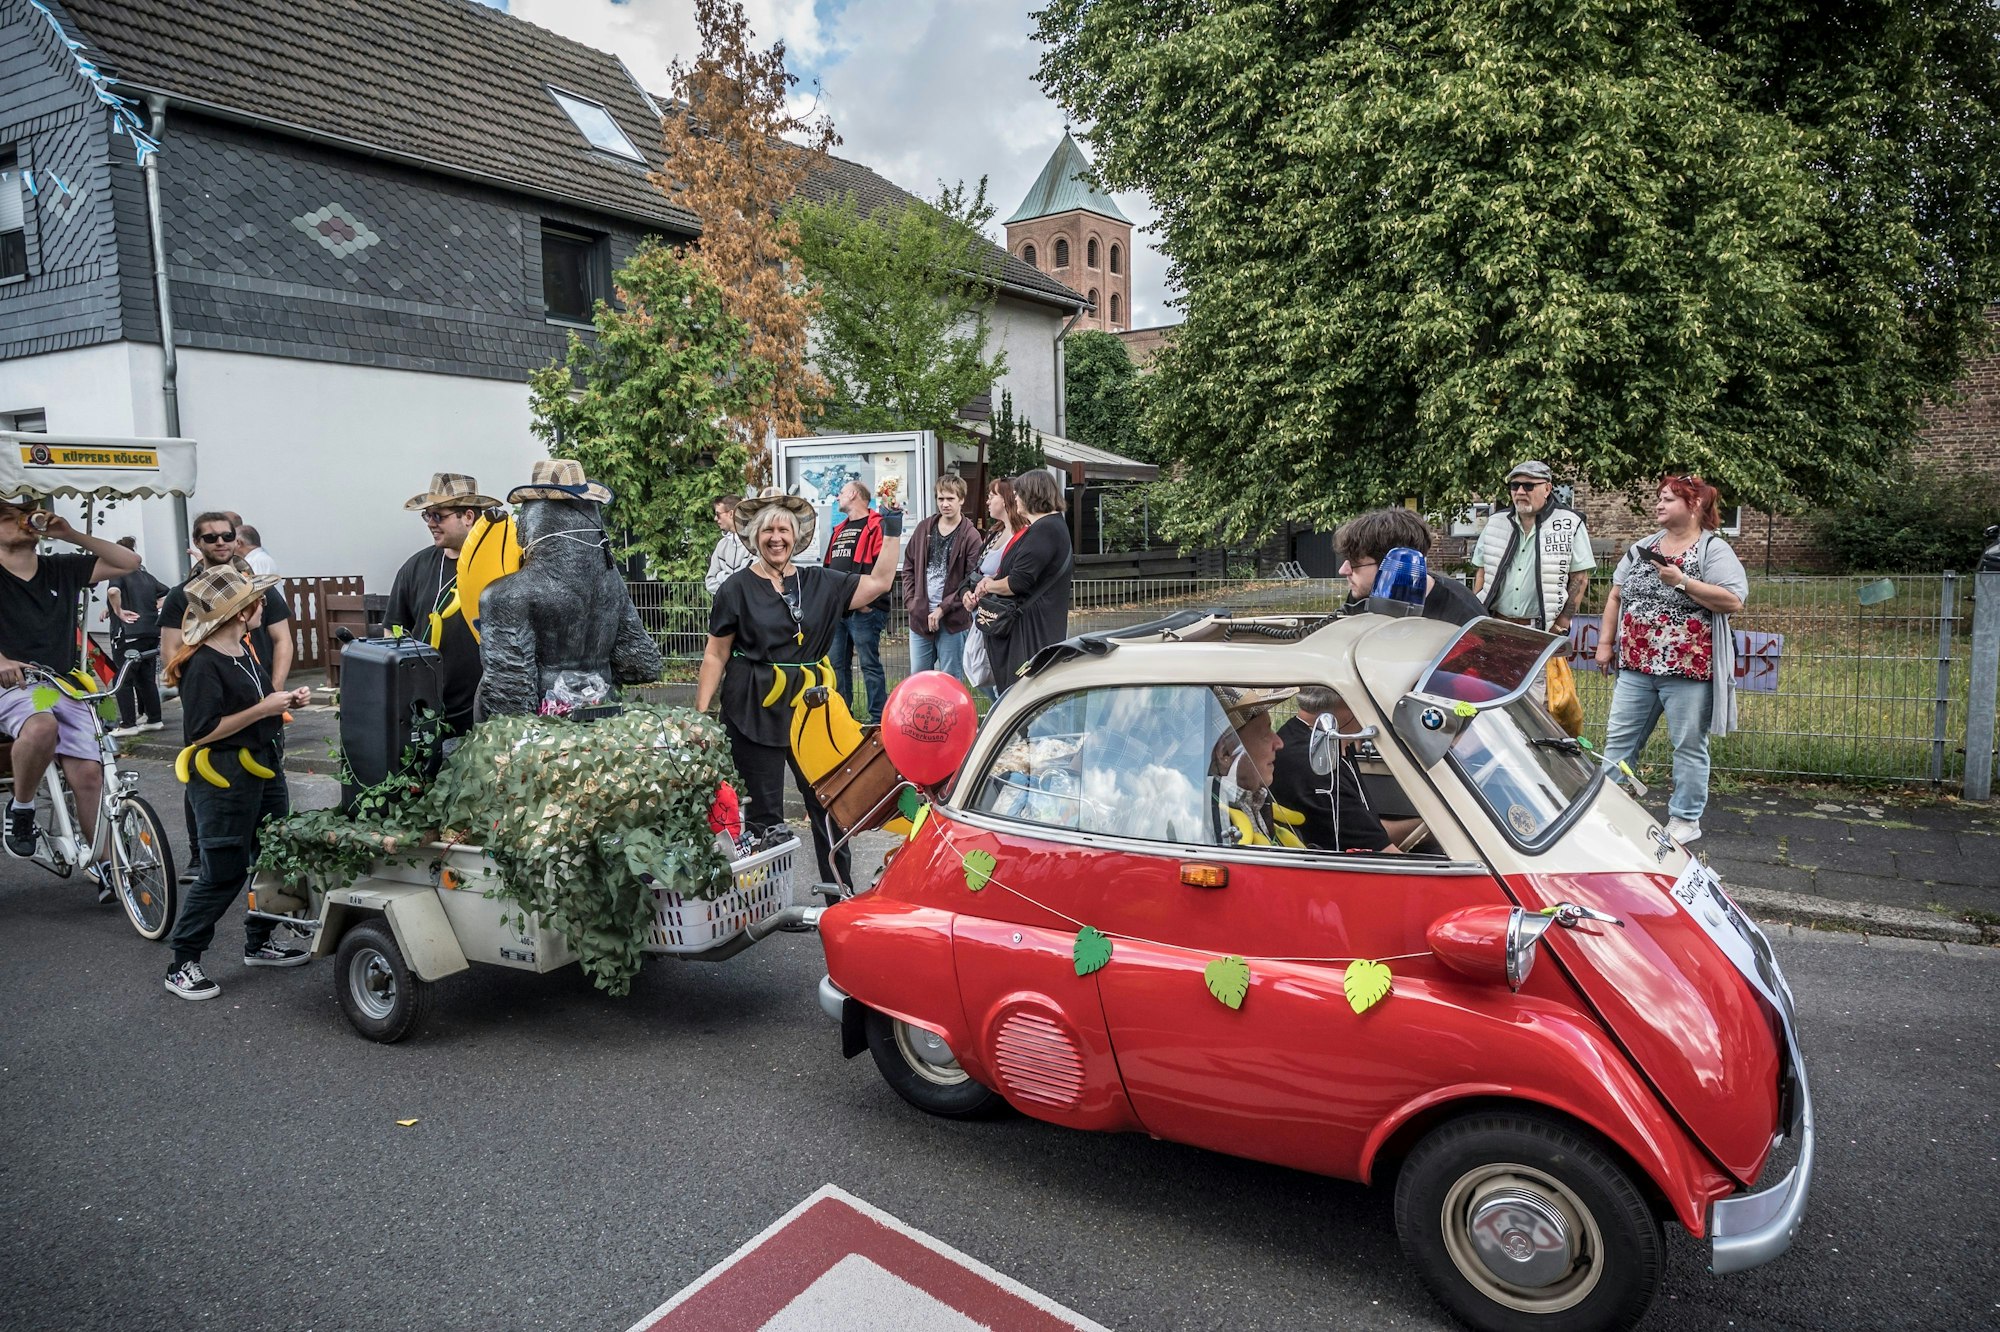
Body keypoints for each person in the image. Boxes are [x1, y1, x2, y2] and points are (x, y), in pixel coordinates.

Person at [697, 491, 902, 889]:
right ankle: (773, 901)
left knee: (830, 807)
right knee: (764, 815)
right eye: (768, 530)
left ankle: (839, 895)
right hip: (753, 708)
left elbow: (879, 582)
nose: (777, 537)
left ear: (796, 537)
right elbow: (715, 655)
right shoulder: (735, 589)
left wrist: (891, 526)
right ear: (755, 537)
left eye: (784, 529)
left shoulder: (820, 582)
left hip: (813, 711)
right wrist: (701, 715)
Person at [160, 566, 313, 1000]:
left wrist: (286, 700)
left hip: (263, 767)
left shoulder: (243, 649)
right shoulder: (203, 662)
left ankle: (259, 942)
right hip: (223, 776)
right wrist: (264, 709)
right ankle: (182, 963)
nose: (265, 605)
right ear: (242, 612)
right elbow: (202, 731)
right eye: (258, 601)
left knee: (273, 856)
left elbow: (258, 702)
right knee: (223, 872)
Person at [1595, 473, 1748, 845]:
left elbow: (1733, 600)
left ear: (1694, 505)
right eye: (1659, 498)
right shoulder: (1642, 547)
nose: (1659, 505)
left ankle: (1685, 818)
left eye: (1668, 499)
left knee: (1688, 745)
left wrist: (1681, 581)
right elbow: (1616, 596)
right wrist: (1605, 642)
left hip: (1687, 671)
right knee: (1618, 742)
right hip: (1636, 667)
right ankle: (1605, 807)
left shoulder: (1713, 550)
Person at [1, 498, 140, 866]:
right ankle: (22, 809)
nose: (20, 523)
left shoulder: (59, 568)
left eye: (22, 516)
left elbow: (130, 563)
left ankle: (109, 867)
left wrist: (70, 533)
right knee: (42, 726)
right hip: (13, 685)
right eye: (7, 519)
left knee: (90, 775)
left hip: (60, 684)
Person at [159, 511, 293, 875]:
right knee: (207, 778)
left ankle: (263, 860)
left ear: (237, 540)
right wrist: (197, 690)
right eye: (210, 537)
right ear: (198, 545)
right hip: (216, 696)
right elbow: (171, 650)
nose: (219, 542)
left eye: (226, 535)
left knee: (267, 772)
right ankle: (203, 855)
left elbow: (282, 639)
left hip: (259, 695)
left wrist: (274, 691)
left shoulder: (256, 589)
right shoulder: (183, 594)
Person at [386, 473, 500, 737]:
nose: (430, 524)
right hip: (425, 713)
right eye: (427, 515)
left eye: (439, 516)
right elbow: (393, 633)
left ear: (468, 517)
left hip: (486, 712)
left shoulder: (501, 566)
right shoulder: (414, 567)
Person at [1271, 686, 1417, 853]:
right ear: (1349, 701)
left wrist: (1427, 827)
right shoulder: (1315, 764)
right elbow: (1381, 850)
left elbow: (1369, 832)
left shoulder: (1334, 738)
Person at [975, 469, 1074, 691]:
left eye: (1018, 492)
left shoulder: (1045, 529)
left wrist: (988, 585)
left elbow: (1018, 582)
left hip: (1030, 632)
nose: (1015, 497)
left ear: (1032, 494)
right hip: (1036, 626)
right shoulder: (1050, 527)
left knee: (1022, 694)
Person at [1334, 508, 1485, 624]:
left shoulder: (1464, 615)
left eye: (1355, 562)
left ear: (1397, 564)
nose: (1343, 570)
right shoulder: (1362, 594)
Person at [900, 474, 983, 682]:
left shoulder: (971, 536)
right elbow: (908, 566)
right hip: (920, 618)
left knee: (950, 682)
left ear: (961, 499)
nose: (945, 504)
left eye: (950, 499)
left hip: (953, 621)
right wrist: (912, 602)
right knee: (918, 681)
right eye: (940, 499)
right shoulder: (924, 528)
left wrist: (943, 608)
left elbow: (970, 580)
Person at [823, 480, 891, 722]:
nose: (837, 498)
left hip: (865, 610)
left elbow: (882, 567)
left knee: (869, 664)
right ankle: (843, 718)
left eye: (841, 493)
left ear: (853, 494)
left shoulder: (876, 526)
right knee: (836, 665)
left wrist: (868, 601)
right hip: (839, 611)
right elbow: (829, 566)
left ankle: (877, 720)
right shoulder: (839, 529)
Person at [1207, 686, 1299, 846]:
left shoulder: (1254, 800)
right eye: (1265, 733)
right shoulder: (1209, 819)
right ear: (1225, 753)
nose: (1279, 743)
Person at [962, 478, 1027, 701]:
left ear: (1007, 499)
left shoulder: (1023, 535)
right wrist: (967, 594)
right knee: (980, 672)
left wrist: (987, 587)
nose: (988, 500)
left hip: (1002, 619)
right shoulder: (994, 533)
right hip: (982, 615)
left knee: (1001, 677)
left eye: (993, 495)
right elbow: (975, 571)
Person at [105, 536, 168, 736]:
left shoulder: (118, 572)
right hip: (151, 632)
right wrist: (152, 608)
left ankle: (128, 724)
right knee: (145, 678)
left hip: (129, 634)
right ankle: (154, 719)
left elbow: (114, 591)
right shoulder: (145, 575)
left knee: (122, 679)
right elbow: (167, 592)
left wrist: (118, 610)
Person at [703, 494, 750, 596]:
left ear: (731, 514)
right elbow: (710, 581)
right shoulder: (721, 545)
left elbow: (748, 582)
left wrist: (721, 576)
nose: (715, 518)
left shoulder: (753, 544)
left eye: (718, 514)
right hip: (727, 610)